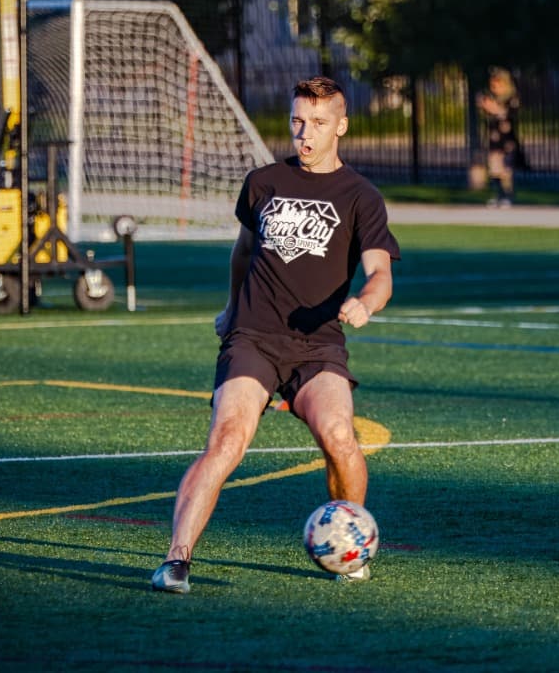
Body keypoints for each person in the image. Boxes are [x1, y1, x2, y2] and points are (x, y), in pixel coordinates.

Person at [151, 76, 400, 592]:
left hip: (319, 344)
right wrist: (229, 308)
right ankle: (176, 560)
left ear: (342, 127)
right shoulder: (262, 182)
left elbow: (380, 273)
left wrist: (366, 303)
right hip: (254, 337)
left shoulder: (361, 197)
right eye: (298, 122)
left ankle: (349, 542)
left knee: (339, 437)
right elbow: (242, 254)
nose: (304, 134)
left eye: (318, 124)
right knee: (226, 441)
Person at [476, 67, 526, 208]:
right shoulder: (492, 98)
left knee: (506, 170)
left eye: (497, 85)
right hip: (494, 140)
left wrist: (492, 108)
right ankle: (499, 195)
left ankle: (508, 195)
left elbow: (507, 114)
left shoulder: (511, 99)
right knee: (494, 169)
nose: (494, 88)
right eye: (492, 85)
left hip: (507, 141)